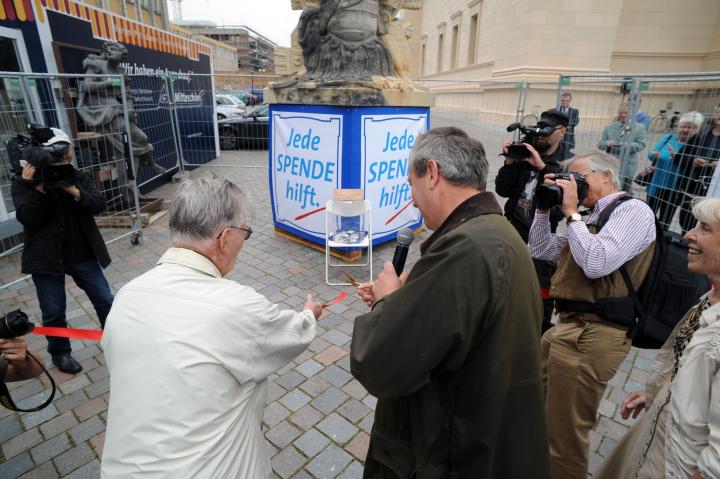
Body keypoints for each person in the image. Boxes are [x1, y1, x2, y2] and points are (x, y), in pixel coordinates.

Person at [351, 128, 551, 478]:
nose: (412, 200)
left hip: (450, 451)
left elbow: (380, 363)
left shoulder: (465, 251)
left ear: (432, 172)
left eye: (411, 185)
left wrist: (389, 303)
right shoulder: (499, 233)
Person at [101, 176, 323, 479]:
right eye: (245, 234)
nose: (244, 244)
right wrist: (309, 314)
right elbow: (294, 332)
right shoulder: (237, 306)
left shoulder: (127, 295)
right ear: (224, 237)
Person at [528, 152, 657, 479]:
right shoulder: (591, 216)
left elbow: (597, 262)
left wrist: (571, 213)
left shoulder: (632, 210)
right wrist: (544, 209)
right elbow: (540, 250)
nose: (570, 185)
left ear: (606, 177)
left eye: (577, 178)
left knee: (565, 437)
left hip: (594, 335)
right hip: (567, 328)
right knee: (542, 416)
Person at [595, 197, 720, 479]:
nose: (688, 235)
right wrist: (662, 391)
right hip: (658, 432)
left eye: (704, 228)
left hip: (678, 464)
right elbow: (692, 368)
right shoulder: (711, 296)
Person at [11, 128, 114, 375]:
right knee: (53, 310)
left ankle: (114, 339)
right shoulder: (24, 185)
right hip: (46, 257)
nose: (67, 157)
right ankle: (60, 353)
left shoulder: (77, 177)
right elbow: (30, 219)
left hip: (81, 253)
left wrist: (72, 189)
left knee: (105, 299)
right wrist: (37, 189)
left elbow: (98, 204)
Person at [495, 109, 568, 333]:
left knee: (539, 292)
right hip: (512, 231)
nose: (541, 136)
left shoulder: (566, 164)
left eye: (548, 131)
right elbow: (503, 190)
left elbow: (559, 211)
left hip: (540, 241)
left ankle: (537, 337)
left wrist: (542, 168)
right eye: (540, 130)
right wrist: (509, 162)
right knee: (504, 283)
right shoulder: (525, 153)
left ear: (562, 132)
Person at [642, 111, 704, 229]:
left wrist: (676, 157)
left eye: (690, 127)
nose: (685, 130)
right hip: (656, 183)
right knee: (648, 217)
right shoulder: (668, 137)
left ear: (697, 129)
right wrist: (656, 155)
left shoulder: (696, 145)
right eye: (683, 126)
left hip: (674, 187)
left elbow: (690, 164)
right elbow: (651, 154)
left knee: (665, 221)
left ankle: (659, 244)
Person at [674, 106, 720, 234]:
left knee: (709, 228)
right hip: (692, 189)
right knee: (687, 224)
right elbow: (678, 158)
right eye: (718, 111)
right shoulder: (701, 135)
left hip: (715, 195)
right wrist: (693, 161)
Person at [598, 104, 647, 191]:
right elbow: (600, 144)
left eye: (626, 113)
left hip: (628, 166)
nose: (623, 115)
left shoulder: (639, 128)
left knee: (625, 192)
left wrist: (626, 145)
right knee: (609, 191)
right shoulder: (609, 127)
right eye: (621, 113)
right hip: (611, 166)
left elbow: (641, 145)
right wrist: (607, 143)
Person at [558, 91, 580, 158]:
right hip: (558, 137)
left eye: (567, 101)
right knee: (557, 154)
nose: (565, 102)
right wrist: (567, 125)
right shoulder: (556, 109)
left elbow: (575, 122)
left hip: (568, 138)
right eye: (563, 100)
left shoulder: (575, 111)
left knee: (566, 156)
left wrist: (561, 125)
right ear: (560, 100)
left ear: (570, 101)